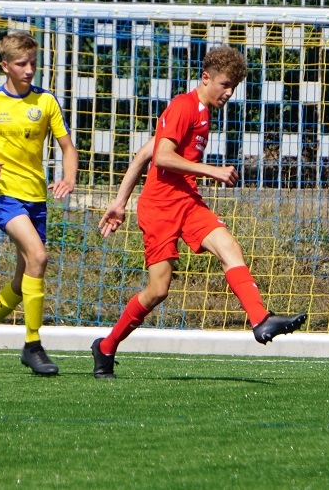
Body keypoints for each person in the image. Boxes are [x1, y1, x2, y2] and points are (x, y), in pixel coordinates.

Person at [92, 46, 306, 379]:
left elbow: (142, 155)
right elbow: (161, 157)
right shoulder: (183, 107)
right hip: (160, 208)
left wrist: (119, 203)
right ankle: (106, 346)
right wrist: (213, 170)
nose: (229, 92)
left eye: (233, 86)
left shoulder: (204, 112)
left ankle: (260, 319)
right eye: (224, 84)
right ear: (205, 78)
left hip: (187, 201)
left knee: (229, 247)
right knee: (158, 290)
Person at [0, 31, 78, 376]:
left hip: (36, 197)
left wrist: (69, 178)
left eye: (33, 63)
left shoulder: (46, 102)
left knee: (25, 280)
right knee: (39, 257)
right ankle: (33, 346)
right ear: (5, 66)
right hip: (2, 194)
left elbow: (68, 148)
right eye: (21, 63)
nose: (29, 69)